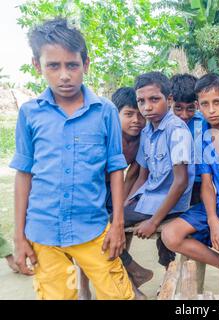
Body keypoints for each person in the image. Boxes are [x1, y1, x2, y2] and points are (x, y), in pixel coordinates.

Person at [10, 18, 134, 300]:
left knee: (117, 294)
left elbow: (116, 169)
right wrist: (19, 236)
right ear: (38, 66)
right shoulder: (30, 114)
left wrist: (117, 225)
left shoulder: (105, 111)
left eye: (72, 65)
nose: (64, 75)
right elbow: (24, 174)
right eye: (53, 66)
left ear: (86, 65)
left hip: (92, 228)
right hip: (43, 230)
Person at [162, 73, 219, 293]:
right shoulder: (202, 137)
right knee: (170, 235)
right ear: (198, 106)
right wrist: (213, 220)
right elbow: (206, 183)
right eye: (205, 104)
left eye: (217, 102)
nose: (211, 109)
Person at [78, 87, 151, 300]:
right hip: (92, 190)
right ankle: (84, 289)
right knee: (91, 238)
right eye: (128, 114)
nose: (136, 120)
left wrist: (124, 202)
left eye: (140, 114)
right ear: (115, 114)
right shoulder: (106, 135)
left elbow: (132, 174)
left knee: (120, 231)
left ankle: (129, 284)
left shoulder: (141, 140)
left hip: (116, 189)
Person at [123, 72, 195, 272]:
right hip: (149, 198)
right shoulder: (147, 131)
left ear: (169, 99)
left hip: (171, 203)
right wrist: (128, 200)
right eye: (141, 101)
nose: (147, 107)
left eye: (154, 99)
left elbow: (180, 182)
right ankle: (136, 273)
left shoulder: (177, 131)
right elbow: (143, 176)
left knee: (108, 225)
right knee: (115, 216)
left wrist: (153, 222)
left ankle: (137, 273)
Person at [170, 74, 204, 205]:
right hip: (172, 183)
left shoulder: (204, 123)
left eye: (190, 108)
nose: (184, 115)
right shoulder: (164, 124)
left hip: (199, 184)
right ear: (169, 101)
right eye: (178, 108)